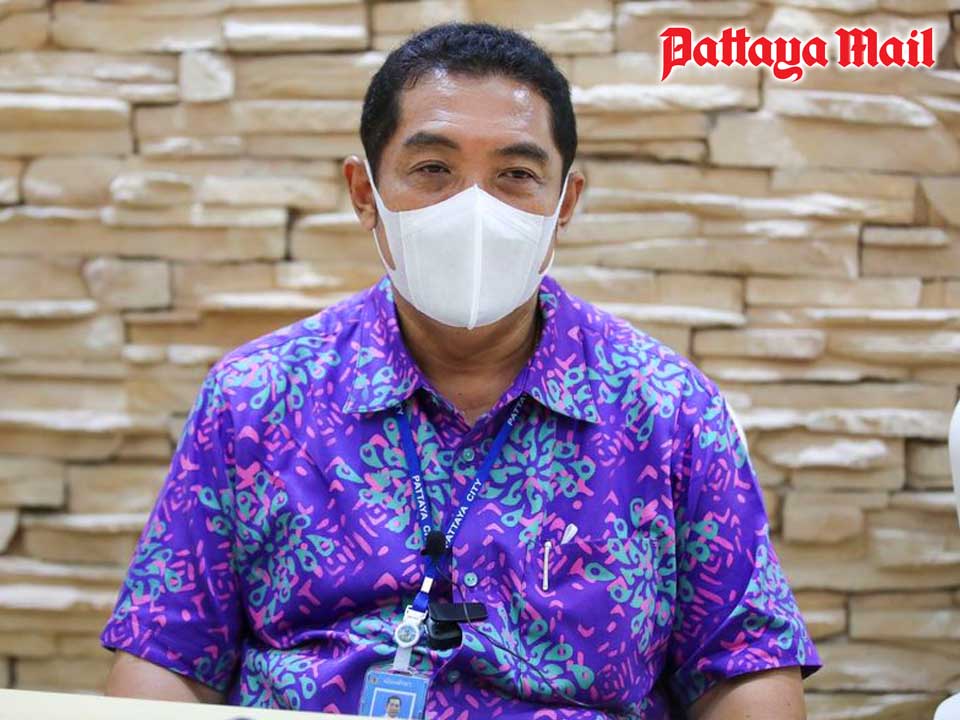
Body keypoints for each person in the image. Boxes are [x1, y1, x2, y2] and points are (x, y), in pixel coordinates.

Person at [101, 22, 821, 719]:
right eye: (433, 170)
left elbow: (745, 667)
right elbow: (165, 657)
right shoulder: (254, 399)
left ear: (563, 203)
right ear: (365, 193)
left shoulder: (669, 411)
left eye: (516, 175)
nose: (474, 208)